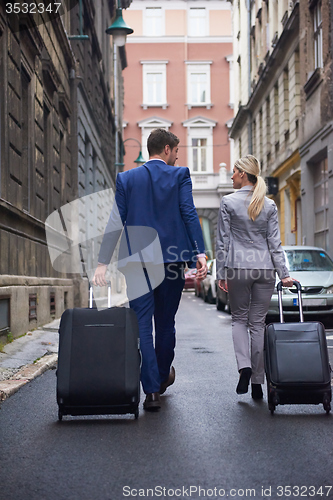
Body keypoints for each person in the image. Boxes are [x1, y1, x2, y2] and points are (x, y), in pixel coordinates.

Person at [93, 129, 207, 411]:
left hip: (135, 261)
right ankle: (160, 376)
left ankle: (152, 390)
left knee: (143, 323)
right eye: (176, 152)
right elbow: (189, 212)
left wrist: (102, 262)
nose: (177, 157)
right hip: (170, 261)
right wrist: (200, 252)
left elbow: (115, 220)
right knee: (166, 322)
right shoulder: (180, 176)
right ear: (166, 149)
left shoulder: (126, 179)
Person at [216, 155, 294, 400]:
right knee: (257, 324)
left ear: (242, 173)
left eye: (233, 172)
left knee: (239, 320)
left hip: (238, 267)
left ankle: (244, 366)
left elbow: (223, 241)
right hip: (265, 269)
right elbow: (275, 244)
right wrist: (285, 275)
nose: (231, 176)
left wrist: (220, 272)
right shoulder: (269, 205)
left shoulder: (227, 202)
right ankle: (258, 383)